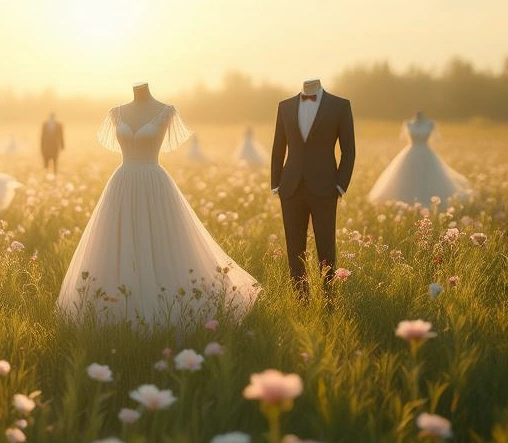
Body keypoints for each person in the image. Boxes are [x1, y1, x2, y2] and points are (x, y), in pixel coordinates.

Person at [59, 84, 259, 326]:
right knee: (117, 241)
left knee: (158, 240)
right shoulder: (116, 113)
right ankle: (114, 312)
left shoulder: (166, 111)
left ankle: (165, 308)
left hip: (154, 183)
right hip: (122, 183)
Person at [271, 78, 356, 298]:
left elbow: (349, 150)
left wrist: (340, 185)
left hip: (326, 187)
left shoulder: (340, 106)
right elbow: (278, 147)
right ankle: (301, 298)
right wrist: (275, 183)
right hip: (290, 188)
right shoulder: (285, 106)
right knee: (294, 248)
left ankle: (329, 297)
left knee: (326, 248)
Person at [367, 111, 469, 206]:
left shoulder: (430, 124)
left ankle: (429, 201)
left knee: (428, 177)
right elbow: (403, 137)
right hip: (411, 152)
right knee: (407, 177)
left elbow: (436, 138)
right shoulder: (408, 123)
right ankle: (405, 202)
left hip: (426, 152)